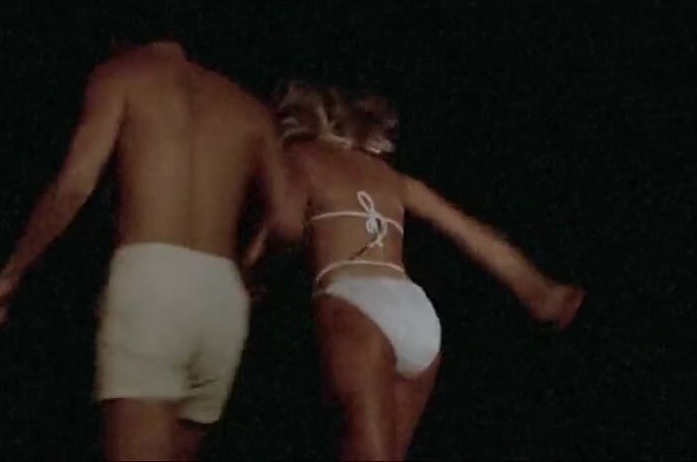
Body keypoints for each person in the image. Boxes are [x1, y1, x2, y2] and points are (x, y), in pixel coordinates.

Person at [0, 32, 298, 461]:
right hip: (223, 294)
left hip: (151, 283)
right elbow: (288, 223)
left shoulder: (122, 75)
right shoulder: (247, 106)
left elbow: (75, 184)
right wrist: (251, 272)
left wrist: (12, 272)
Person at [243, 81, 585, 461]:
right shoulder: (390, 177)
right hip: (414, 311)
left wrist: (251, 270)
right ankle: (543, 295)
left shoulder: (300, 157)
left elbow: (285, 224)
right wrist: (539, 290)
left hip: (353, 301)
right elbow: (470, 232)